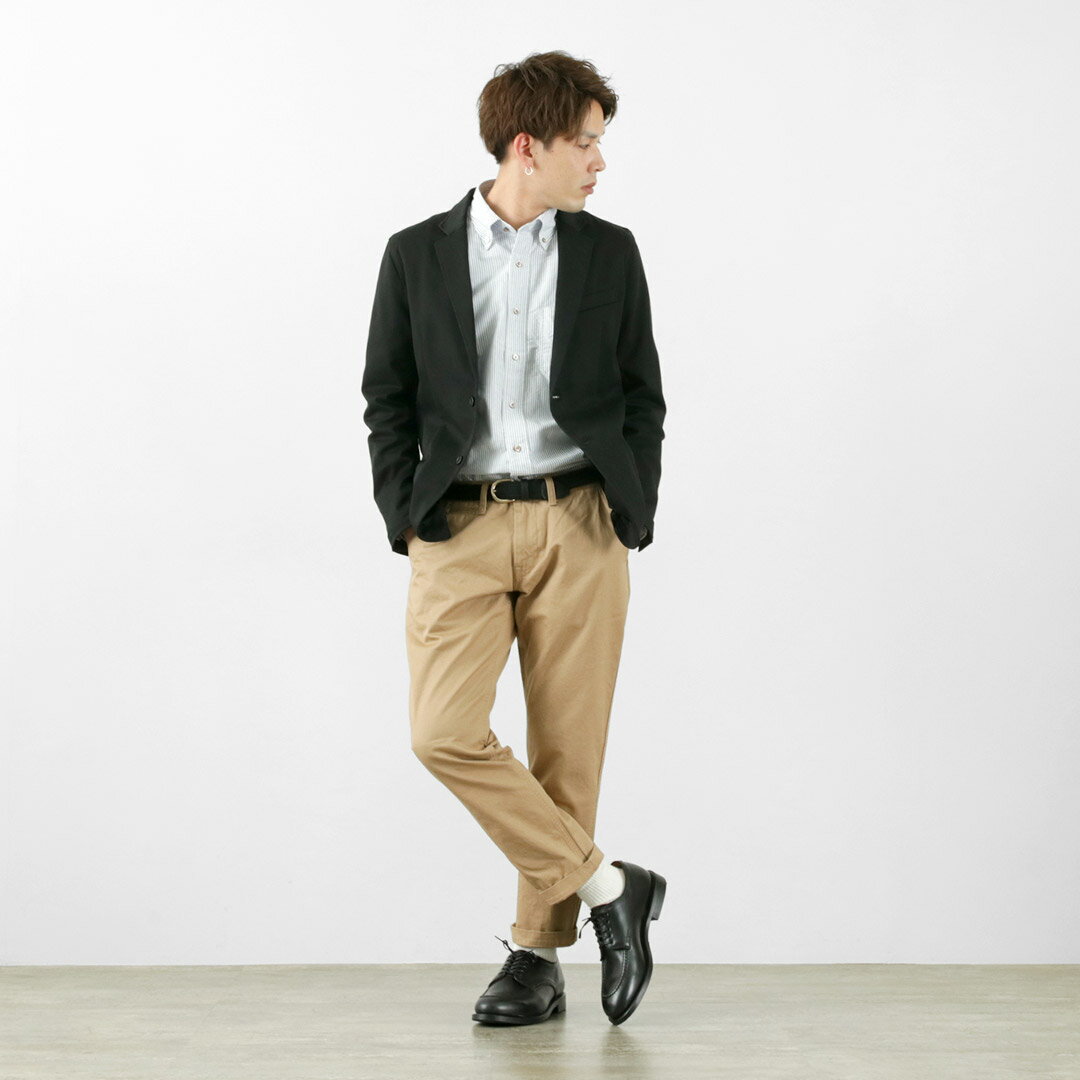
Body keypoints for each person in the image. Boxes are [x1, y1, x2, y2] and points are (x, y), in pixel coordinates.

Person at [361, 50, 667, 1027]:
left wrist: (633, 505)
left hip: (581, 521)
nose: (600, 162)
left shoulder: (609, 252)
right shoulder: (417, 253)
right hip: (458, 522)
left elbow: (642, 392)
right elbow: (388, 397)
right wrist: (404, 513)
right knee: (443, 733)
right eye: (587, 142)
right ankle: (611, 886)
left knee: (567, 752)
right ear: (526, 147)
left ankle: (536, 958)